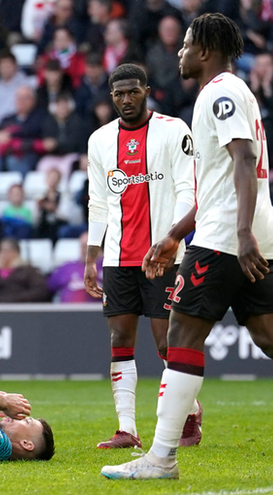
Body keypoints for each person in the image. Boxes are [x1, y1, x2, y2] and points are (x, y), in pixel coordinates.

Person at [103, 14, 273, 481]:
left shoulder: (221, 92)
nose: (181, 53)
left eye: (185, 45)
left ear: (204, 50)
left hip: (228, 236)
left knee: (182, 336)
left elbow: (243, 158)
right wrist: (174, 234)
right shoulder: (230, 92)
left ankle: (161, 457)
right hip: (243, 230)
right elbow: (218, 182)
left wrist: (240, 233)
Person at [84, 63, 199, 450]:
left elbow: (188, 190)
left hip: (162, 256)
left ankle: (188, 412)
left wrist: (171, 239)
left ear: (147, 91)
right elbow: (97, 201)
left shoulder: (173, 130)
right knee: (119, 338)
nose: (126, 99)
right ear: (111, 97)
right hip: (117, 259)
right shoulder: (100, 140)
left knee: (166, 343)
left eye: (133, 91)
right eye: (119, 94)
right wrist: (91, 255)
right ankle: (127, 429)